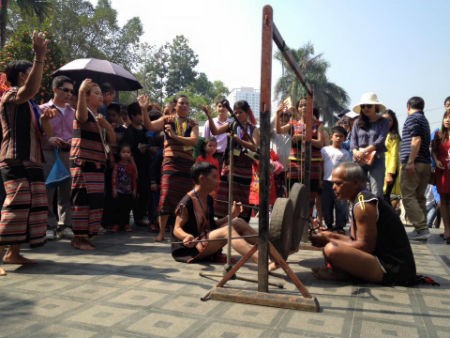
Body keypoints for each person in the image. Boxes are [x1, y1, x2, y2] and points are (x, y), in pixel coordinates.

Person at [0, 31, 55, 276]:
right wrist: (39, 55)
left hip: (31, 159)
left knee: (30, 209)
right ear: (22, 75)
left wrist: (44, 121)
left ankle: (13, 253)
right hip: (15, 158)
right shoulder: (10, 95)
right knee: (14, 208)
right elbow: (29, 90)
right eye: (29, 72)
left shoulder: (31, 106)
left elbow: (43, 135)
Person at [310, 162, 417, 285]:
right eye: (333, 183)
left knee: (331, 249)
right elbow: (355, 239)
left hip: (393, 269)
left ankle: (343, 274)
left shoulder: (363, 205)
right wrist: (329, 236)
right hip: (381, 259)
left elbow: (366, 246)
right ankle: (342, 271)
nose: (333, 187)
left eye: (338, 183)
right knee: (330, 236)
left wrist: (328, 241)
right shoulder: (360, 199)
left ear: (355, 183)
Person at [172, 162, 258, 263]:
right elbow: (176, 228)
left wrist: (232, 215)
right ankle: (259, 258)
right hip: (191, 248)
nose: (218, 181)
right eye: (214, 177)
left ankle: (274, 253)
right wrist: (186, 236)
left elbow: (213, 225)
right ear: (202, 179)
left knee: (238, 222)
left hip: (205, 239)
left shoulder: (208, 199)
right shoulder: (186, 202)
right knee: (227, 230)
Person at [140, 95, 199, 242]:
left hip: (187, 165)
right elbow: (149, 126)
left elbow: (194, 141)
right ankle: (161, 232)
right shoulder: (167, 119)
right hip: (170, 163)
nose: (184, 106)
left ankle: (180, 230)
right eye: (181, 103)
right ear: (176, 105)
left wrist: (174, 136)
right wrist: (143, 109)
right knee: (165, 197)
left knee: (185, 199)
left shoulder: (193, 123)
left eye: (187, 103)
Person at [70, 79, 116, 250]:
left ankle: (87, 236)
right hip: (83, 162)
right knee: (82, 200)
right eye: (95, 93)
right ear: (87, 97)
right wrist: (81, 90)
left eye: (99, 93)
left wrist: (108, 127)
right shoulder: (83, 112)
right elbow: (81, 116)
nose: (100, 96)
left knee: (95, 201)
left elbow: (112, 141)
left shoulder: (99, 117)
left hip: (97, 164)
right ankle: (78, 238)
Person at [204, 100, 259, 222]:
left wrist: (237, 140)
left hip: (244, 168)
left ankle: (241, 222)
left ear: (247, 113)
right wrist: (208, 116)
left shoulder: (253, 129)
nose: (238, 115)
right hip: (230, 165)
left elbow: (254, 146)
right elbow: (215, 131)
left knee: (242, 196)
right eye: (236, 113)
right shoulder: (231, 125)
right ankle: (223, 222)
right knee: (224, 194)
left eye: (240, 112)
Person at [39, 75, 75, 240]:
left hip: (68, 153)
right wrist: (49, 139)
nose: (69, 94)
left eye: (71, 91)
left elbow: (76, 133)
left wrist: (69, 141)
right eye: (65, 90)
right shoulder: (42, 109)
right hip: (48, 153)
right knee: (48, 190)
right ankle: (49, 225)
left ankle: (65, 225)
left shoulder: (73, 112)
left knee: (66, 191)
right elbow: (36, 132)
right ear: (55, 89)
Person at [276, 98, 324, 220]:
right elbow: (279, 130)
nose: (303, 107)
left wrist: (304, 137)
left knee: (310, 195)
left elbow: (320, 143)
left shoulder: (318, 124)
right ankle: (293, 222)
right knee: (293, 193)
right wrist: (277, 115)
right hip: (295, 164)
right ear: (298, 108)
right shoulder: (294, 123)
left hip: (312, 164)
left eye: (306, 105)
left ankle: (306, 223)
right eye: (301, 105)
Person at [400, 96, 431, 241]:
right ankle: (422, 230)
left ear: (408, 107)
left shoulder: (412, 118)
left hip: (414, 162)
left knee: (407, 195)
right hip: (425, 163)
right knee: (419, 197)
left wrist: (411, 161)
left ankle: (421, 227)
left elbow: (416, 139)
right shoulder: (424, 119)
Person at [350, 92, 389, 197]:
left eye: (369, 106)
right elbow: (353, 140)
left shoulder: (384, 122)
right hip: (359, 159)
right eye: (363, 106)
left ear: (375, 106)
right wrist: (356, 152)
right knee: (358, 189)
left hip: (377, 158)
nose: (365, 108)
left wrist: (364, 151)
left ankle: (376, 212)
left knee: (377, 192)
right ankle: (359, 212)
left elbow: (381, 140)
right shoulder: (357, 122)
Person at [122, 101, 152, 228]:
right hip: (135, 166)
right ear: (133, 116)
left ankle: (143, 215)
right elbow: (129, 151)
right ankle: (137, 217)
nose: (142, 117)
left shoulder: (146, 129)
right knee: (136, 191)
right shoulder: (129, 132)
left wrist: (149, 147)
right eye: (140, 114)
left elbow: (150, 141)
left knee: (145, 190)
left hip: (147, 165)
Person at [320, 126, 352, 232]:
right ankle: (328, 225)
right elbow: (321, 165)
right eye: (336, 136)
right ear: (331, 137)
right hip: (326, 181)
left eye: (341, 136)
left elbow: (347, 169)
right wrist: (320, 179)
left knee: (341, 205)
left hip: (340, 183)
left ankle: (340, 227)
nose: (338, 138)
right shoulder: (324, 150)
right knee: (326, 204)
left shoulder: (346, 153)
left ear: (344, 139)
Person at [431, 100, 450, 243]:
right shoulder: (438, 134)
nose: (447, 120)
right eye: (446, 117)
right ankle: (446, 229)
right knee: (443, 200)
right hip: (442, 170)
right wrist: (436, 160)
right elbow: (434, 151)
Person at [111, 144, 137, 232]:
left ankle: (126, 224)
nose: (126, 154)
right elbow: (114, 177)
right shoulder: (117, 165)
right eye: (123, 152)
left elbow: (134, 178)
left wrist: (134, 189)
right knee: (117, 207)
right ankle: (116, 224)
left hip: (128, 191)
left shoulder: (131, 166)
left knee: (127, 208)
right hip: (119, 190)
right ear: (119, 153)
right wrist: (114, 189)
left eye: (128, 152)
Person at [203, 99, 231, 169]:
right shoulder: (209, 122)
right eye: (219, 106)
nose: (222, 108)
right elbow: (205, 140)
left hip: (228, 157)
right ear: (216, 108)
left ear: (228, 108)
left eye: (224, 106)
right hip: (213, 155)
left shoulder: (232, 123)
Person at [382, 109, 401, 205]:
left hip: (389, 170)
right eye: (384, 120)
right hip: (381, 169)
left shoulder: (393, 136)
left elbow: (394, 156)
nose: (386, 122)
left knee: (386, 197)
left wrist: (390, 173)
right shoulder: (380, 135)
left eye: (389, 120)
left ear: (393, 122)